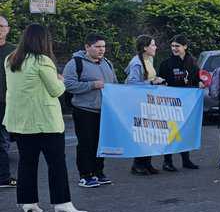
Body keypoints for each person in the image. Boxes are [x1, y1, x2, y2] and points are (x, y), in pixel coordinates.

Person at [4, 24, 86, 212]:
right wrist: (61, 79)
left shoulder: (11, 59)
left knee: (27, 162)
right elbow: (56, 91)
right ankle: (62, 203)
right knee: (56, 164)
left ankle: (28, 202)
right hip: (45, 122)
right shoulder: (43, 61)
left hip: (20, 121)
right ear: (43, 41)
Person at [63, 33, 119, 188]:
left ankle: (98, 172)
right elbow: (68, 85)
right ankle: (85, 175)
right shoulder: (75, 63)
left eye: (103, 46)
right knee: (86, 143)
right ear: (87, 47)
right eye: (98, 47)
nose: (102, 50)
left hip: (104, 111)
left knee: (101, 143)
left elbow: (113, 83)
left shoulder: (107, 63)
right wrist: (92, 85)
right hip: (84, 110)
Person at [157, 35, 202, 171]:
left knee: (185, 131)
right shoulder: (166, 63)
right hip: (170, 104)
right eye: (172, 46)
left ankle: (186, 160)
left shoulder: (192, 62)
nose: (174, 49)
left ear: (185, 47)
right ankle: (167, 161)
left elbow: (196, 79)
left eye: (177, 46)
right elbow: (161, 82)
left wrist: (199, 83)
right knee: (170, 133)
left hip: (187, 103)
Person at [124, 35, 165, 175]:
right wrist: (151, 83)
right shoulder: (136, 63)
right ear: (145, 47)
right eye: (153, 45)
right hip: (138, 102)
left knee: (150, 133)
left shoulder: (149, 59)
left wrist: (156, 80)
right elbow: (132, 83)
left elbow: (149, 77)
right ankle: (138, 164)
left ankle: (147, 163)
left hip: (148, 101)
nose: (155, 47)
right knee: (142, 133)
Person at [0, 16, 16, 188]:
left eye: (2, 26)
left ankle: (3, 177)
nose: (0, 30)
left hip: (6, 102)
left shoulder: (14, 51)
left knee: (3, 140)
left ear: (8, 29)